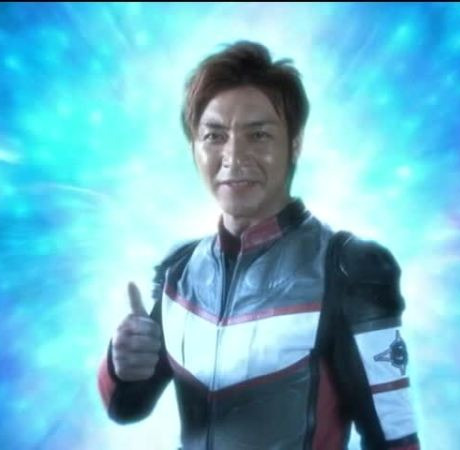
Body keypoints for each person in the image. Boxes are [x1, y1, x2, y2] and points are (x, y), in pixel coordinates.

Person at [97, 41, 421, 450]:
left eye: (259, 135)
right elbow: (126, 407)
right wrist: (122, 363)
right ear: (194, 148)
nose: (234, 156)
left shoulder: (348, 269)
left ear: (295, 144)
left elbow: (395, 439)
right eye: (214, 136)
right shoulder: (180, 272)